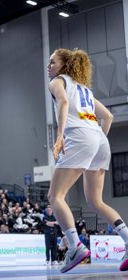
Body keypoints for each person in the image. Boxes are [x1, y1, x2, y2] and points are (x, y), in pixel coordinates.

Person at [46, 48, 128, 273]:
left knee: (55, 196)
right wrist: (96, 142)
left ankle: (75, 247)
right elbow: (108, 116)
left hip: (81, 136)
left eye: (52, 62)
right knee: (95, 201)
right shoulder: (84, 90)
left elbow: (62, 103)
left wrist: (60, 135)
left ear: (64, 66)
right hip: (100, 139)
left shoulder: (57, 82)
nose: (48, 66)